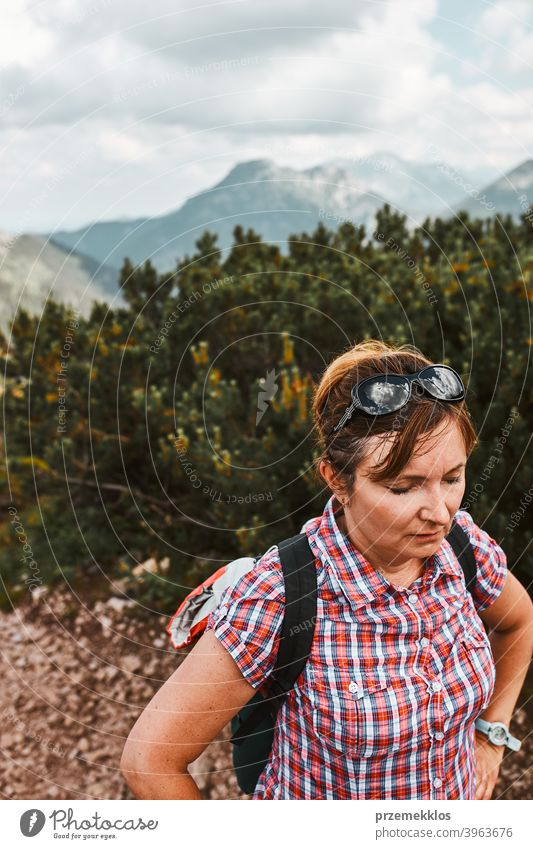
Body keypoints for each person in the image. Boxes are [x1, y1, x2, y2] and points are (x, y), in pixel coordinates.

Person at [120, 340, 533, 800]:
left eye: (452, 478)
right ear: (337, 480)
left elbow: (519, 621)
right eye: (403, 487)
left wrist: (490, 736)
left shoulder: (463, 546)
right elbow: (149, 760)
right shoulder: (282, 594)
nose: (439, 512)